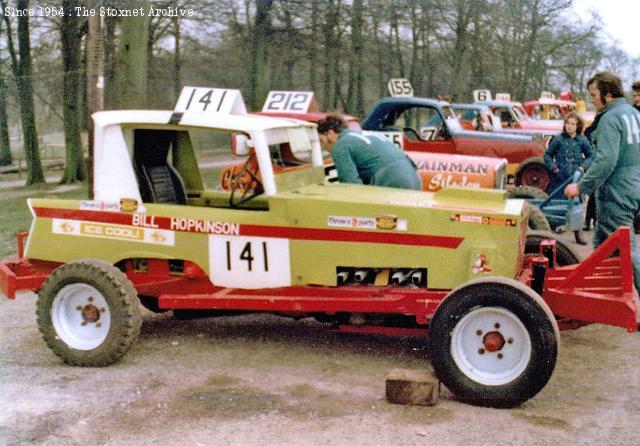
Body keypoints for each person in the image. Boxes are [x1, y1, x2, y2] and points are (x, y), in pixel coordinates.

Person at [564, 71, 640, 293]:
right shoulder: (632, 114)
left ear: (607, 94)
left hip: (616, 190)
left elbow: (606, 160)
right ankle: (603, 297)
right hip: (632, 186)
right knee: (605, 245)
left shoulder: (610, 118)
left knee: (627, 248)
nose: (592, 100)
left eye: (594, 94)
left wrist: (581, 186)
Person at [317, 115, 422, 190]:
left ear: (330, 134)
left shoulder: (340, 145)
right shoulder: (366, 135)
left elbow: (351, 186)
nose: (323, 148)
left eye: (321, 141)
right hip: (414, 177)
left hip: (391, 181)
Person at [544, 112, 592, 244]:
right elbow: (547, 155)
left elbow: (590, 156)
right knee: (556, 204)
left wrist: (582, 168)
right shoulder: (558, 139)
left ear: (578, 126)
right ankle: (551, 233)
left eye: (573, 124)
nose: (569, 126)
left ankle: (578, 233)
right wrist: (554, 168)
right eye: (567, 123)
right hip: (559, 175)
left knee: (576, 204)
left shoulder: (582, 140)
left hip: (575, 175)